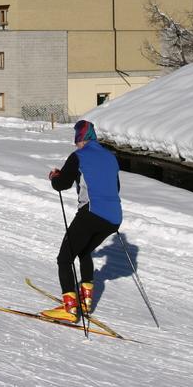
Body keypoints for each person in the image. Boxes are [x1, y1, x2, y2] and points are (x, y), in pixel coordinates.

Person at [40, 119, 122, 322]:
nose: (75, 144)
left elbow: (62, 184)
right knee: (84, 251)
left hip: (91, 211)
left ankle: (69, 309)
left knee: (64, 258)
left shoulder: (79, 156)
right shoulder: (111, 158)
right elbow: (116, 186)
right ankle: (85, 302)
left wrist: (54, 177)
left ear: (81, 139)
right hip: (114, 217)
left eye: (76, 140)